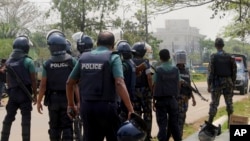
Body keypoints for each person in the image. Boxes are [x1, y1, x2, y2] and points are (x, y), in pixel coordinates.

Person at [66, 31, 134, 141]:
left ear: (97, 43)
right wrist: (130, 108)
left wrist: (71, 104)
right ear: (112, 45)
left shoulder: (83, 58)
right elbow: (119, 83)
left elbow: (69, 82)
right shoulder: (114, 57)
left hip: (87, 107)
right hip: (107, 108)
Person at [36, 29, 78, 141]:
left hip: (53, 100)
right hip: (68, 99)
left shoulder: (47, 64)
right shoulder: (72, 61)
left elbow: (43, 85)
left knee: (54, 127)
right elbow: (76, 84)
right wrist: (78, 102)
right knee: (68, 126)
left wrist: (39, 100)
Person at [1, 35, 37, 141]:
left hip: (12, 94)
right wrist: (34, 94)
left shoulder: (8, 62)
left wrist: (10, 91)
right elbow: (33, 81)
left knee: (8, 118)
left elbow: (7, 80)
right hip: (25, 94)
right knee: (26, 120)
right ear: (26, 48)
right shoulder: (28, 62)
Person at [167, 50, 196, 140]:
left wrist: (193, 98)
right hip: (176, 98)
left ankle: (179, 135)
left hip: (185, 98)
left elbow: (189, 85)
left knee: (182, 117)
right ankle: (176, 136)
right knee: (176, 118)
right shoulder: (174, 70)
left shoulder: (186, 71)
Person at [152, 49, 181, 141]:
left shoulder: (158, 70)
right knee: (174, 124)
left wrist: (153, 100)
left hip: (161, 101)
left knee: (162, 125)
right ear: (169, 57)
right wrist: (176, 94)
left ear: (160, 58)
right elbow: (179, 83)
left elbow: (154, 85)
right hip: (173, 100)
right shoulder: (176, 70)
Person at [207, 37, 237, 126]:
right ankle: (230, 123)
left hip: (217, 83)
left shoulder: (213, 57)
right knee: (229, 102)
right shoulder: (230, 57)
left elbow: (211, 72)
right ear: (223, 45)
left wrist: (209, 84)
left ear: (216, 46)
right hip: (228, 82)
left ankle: (209, 123)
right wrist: (233, 83)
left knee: (214, 103)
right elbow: (234, 70)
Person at [132, 42, 153, 141]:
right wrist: (151, 90)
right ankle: (147, 136)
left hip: (134, 91)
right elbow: (149, 77)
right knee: (147, 113)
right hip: (145, 91)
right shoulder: (146, 62)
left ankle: (137, 135)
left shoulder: (130, 62)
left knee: (136, 113)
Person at [116, 40, 136, 123]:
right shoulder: (131, 63)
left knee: (122, 117)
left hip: (124, 94)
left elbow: (118, 79)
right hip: (131, 94)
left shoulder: (124, 65)